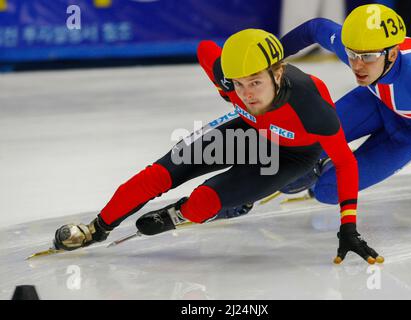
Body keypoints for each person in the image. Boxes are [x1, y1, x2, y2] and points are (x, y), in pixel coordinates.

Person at [52, 29, 383, 265]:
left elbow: (346, 163)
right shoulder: (229, 81)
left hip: (294, 155)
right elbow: (205, 48)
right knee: (157, 174)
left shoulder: (312, 110)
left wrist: (348, 227)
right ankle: (96, 229)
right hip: (249, 132)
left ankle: (184, 212)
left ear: (278, 73)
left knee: (201, 204)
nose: (247, 94)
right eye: (238, 84)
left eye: (255, 82)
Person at [278, 4, 411, 201]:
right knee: (293, 150)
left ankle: (325, 167)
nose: (358, 65)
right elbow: (315, 28)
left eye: (368, 56)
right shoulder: (361, 49)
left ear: (392, 54)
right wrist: (271, 58)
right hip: (377, 100)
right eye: (352, 54)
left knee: (327, 191)